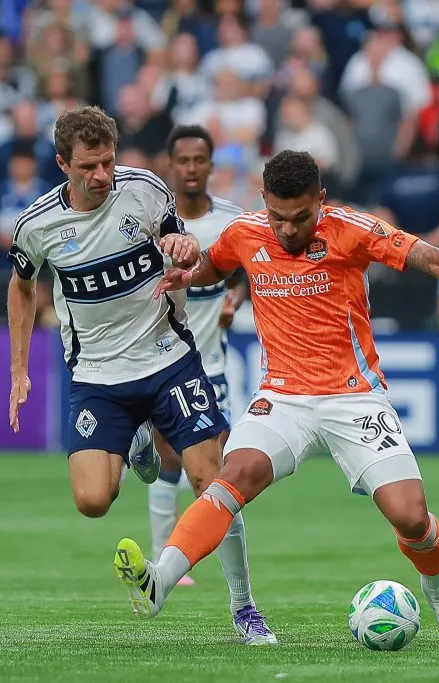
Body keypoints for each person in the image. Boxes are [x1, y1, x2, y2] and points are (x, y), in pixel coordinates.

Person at [113, 150, 439, 648]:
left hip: (355, 399)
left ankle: (438, 591)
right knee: (230, 477)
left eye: (300, 217)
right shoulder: (246, 232)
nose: (287, 230)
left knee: (411, 516)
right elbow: (215, 265)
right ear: (264, 201)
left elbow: (429, 256)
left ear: (320, 201)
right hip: (282, 397)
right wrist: (187, 277)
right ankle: (160, 581)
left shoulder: (352, 229)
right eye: (278, 217)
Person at [6, 107, 277, 644]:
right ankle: (140, 446)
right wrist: (19, 368)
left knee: (213, 482)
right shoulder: (37, 224)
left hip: (168, 360)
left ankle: (245, 609)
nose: (102, 175)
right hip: (96, 375)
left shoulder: (146, 190)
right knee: (92, 501)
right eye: (89, 166)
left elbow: (184, 245)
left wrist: (183, 246)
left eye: (108, 161)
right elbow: (20, 285)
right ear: (63, 164)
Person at [148, 125, 248, 589]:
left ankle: (175, 556)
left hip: (214, 362)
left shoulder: (231, 220)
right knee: (172, 459)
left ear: (211, 165)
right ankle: (162, 555)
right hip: (163, 360)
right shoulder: (151, 220)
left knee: (210, 471)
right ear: (171, 165)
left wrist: (236, 298)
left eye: (199, 160)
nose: (191, 168)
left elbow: (251, 269)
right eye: (183, 160)